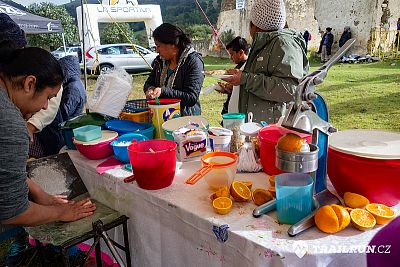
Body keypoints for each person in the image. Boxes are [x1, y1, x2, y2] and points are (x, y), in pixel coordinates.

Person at [0, 47, 96, 266]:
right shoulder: (11, 124)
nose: (45, 106)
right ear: (29, 84)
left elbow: (4, 169)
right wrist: (60, 212)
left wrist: (41, 194)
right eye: (48, 97)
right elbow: (13, 212)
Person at [222, 0, 308, 123]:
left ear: (255, 26)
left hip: (271, 128)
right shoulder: (265, 44)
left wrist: (245, 79)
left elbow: (290, 89)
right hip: (256, 125)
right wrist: (239, 85)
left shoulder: (283, 44)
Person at [30, 55, 87, 158]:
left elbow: (66, 110)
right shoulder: (75, 83)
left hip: (65, 125)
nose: (45, 106)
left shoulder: (73, 88)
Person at [143, 23, 205, 116]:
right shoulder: (159, 62)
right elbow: (149, 83)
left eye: (159, 46)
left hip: (186, 119)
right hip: (162, 115)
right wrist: (150, 89)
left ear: (172, 45)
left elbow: (191, 97)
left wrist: (163, 91)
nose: (157, 50)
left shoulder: (193, 61)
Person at [218, 36, 249, 115]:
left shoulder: (247, 68)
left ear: (241, 52)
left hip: (239, 112)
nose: (230, 57)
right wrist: (226, 89)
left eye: (232, 54)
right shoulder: (238, 66)